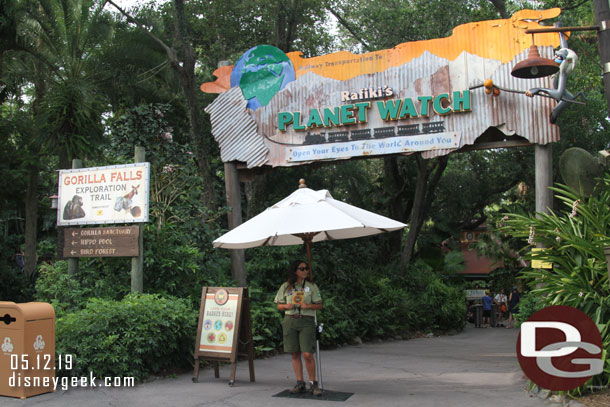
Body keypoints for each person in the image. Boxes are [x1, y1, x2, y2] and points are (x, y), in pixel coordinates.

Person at [274, 260, 323, 396]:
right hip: (290, 320)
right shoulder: (286, 286)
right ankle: (300, 383)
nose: (305, 270)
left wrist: (308, 306)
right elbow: (279, 305)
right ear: (295, 271)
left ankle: (313, 384)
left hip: (306, 320)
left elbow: (319, 305)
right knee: (295, 353)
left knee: (307, 353)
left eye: (306, 268)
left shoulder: (311, 286)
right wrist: (286, 306)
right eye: (302, 268)